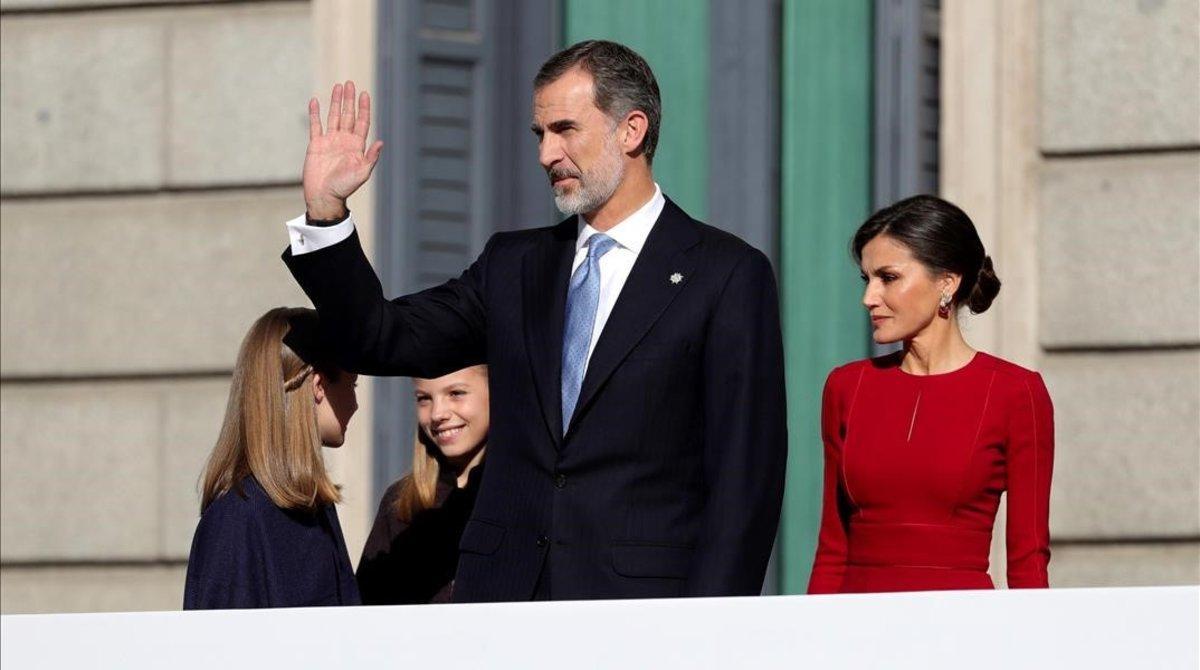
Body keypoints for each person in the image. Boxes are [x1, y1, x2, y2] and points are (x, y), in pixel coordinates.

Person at [282, 40, 787, 601]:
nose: (547, 154)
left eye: (565, 129)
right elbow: (380, 339)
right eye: (539, 135)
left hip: (645, 612)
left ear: (632, 130)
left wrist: (712, 630)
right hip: (505, 601)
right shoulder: (513, 265)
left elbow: (747, 476)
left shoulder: (724, 274)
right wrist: (326, 215)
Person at [808, 195, 1054, 594]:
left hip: (961, 634)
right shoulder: (846, 387)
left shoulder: (1016, 392)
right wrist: (812, 642)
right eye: (866, 280)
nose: (868, 298)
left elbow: (1028, 560)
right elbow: (832, 547)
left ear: (947, 282)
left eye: (888, 278)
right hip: (856, 633)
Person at [183, 308, 362, 609]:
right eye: (351, 385)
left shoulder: (314, 507)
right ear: (318, 386)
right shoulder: (237, 521)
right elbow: (217, 651)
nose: (356, 404)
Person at [357, 365, 489, 604]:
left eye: (456, 393)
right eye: (424, 398)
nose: (438, 413)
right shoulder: (400, 504)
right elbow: (367, 611)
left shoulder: (523, 497)